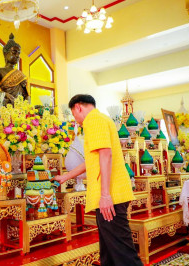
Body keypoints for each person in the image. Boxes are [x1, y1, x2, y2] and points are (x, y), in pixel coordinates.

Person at [54, 94, 142, 266]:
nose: (76, 120)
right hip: (112, 193)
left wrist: (105, 195)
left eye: (74, 115)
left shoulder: (93, 120)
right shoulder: (101, 119)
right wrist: (65, 177)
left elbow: (105, 154)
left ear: (78, 107)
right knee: (109, 251)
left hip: (111, 195)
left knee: (122, 252)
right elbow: (92, 160)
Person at [0, 33, 29, 105]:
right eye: (14, 52)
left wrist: (28, 101)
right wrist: (6, 95)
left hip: (21, 106)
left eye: (19, 53)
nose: (17, 56)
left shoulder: (20, 74)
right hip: (7, 103)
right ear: (5, 54)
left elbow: (26, 95)